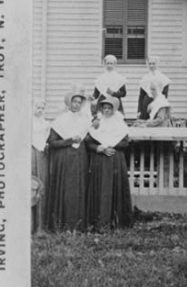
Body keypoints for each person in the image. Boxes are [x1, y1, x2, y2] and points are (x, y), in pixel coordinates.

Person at [45, 90, 92, 232]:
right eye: (74, 102)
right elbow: (52, 143)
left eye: (79, 102)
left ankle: (78, 225)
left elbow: (88, 139)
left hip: (80, 158)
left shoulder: (84, 120)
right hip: (65, 159)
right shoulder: (60, 121)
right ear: (68, 103)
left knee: (79, 189)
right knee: (66, 190)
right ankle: (63, 224)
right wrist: (69, 140)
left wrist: (89, 135)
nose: (76, 105)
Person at [85, 97, 132, 231]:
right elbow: (88, 142)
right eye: (104, 108)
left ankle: (116, 221)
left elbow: (126, 142)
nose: (106, 110)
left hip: (115, 159)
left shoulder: (120, 124)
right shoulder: (97, 123)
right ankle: (99, 221)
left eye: (109, 108)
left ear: (114, 109)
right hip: (100, 159)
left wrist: (113, 146)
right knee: (101, 188)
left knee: (115, 187)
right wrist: (98, 148)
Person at [31, 99, 49, 234]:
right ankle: (30, 225)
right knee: (31, 185)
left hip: (41, 154)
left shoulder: (46, 124)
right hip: (30, 153)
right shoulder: (27, 122)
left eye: (42, 108)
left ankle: (41, 226)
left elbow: (45, 139)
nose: (40, 110)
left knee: (41, 185)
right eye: (38, 107)